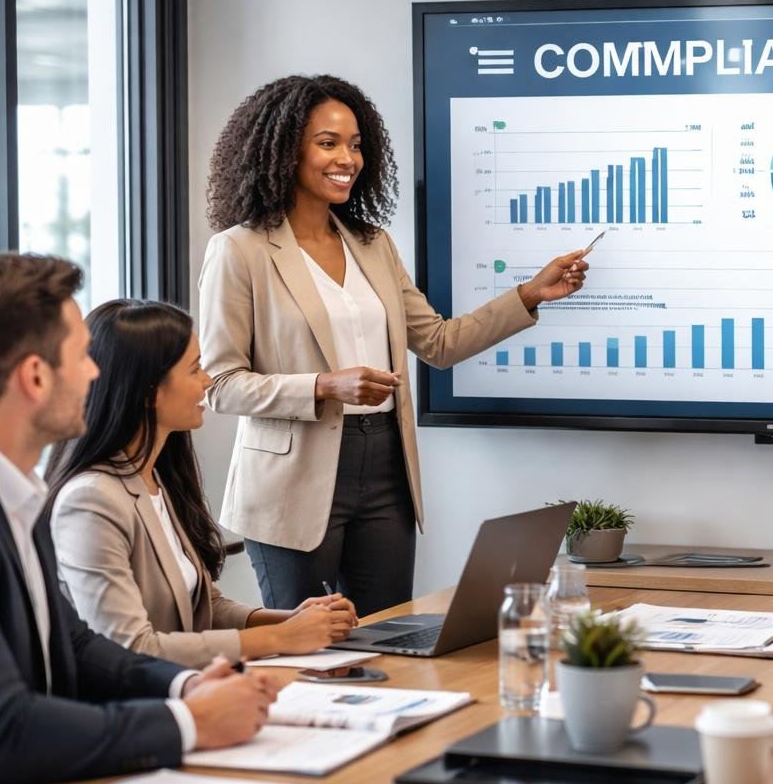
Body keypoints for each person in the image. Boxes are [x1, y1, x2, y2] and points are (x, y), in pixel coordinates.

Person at [199, 74, 589, 615]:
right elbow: (219, 385)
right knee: (308, 646)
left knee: (387, 638)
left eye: (356, 144)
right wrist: (324, 386)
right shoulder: (239, 250)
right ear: (285, 150)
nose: (348, 158)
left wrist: (529, 293)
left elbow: (438, 342)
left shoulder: (372, 243)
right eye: (328, 142)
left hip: (385, 465)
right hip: (291, 480)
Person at [0, 253, 276, 784]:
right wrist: (186, 722)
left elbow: (77, 645)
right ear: (35, 377)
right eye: (81, 356)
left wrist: (184, 687)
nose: (95, 372)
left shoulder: (7, 485)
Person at [46, 299, 359, 669]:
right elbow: (128, 647)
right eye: (195, 368)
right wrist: (279, 638)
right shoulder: (91, 501)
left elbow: (202, 605)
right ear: (150, 392)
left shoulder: (155, 478)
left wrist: (289, 619)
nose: (208, 380)